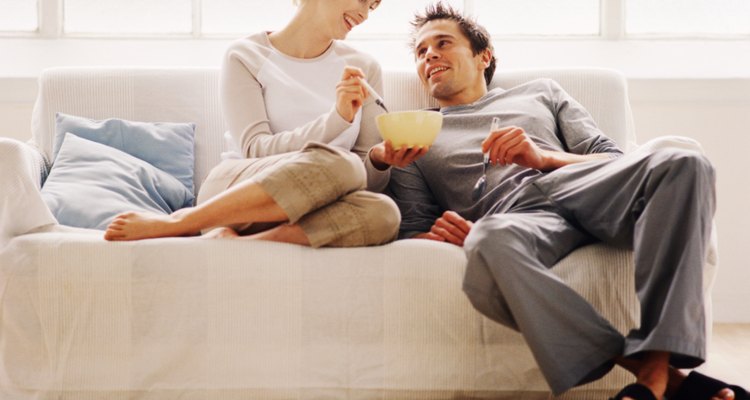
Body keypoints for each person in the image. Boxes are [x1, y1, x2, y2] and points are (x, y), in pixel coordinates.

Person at [388, 2, 748, 400]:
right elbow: (414, 226)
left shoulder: (542, 92)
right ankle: (658, 375)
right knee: (488, 240)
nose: (429, 56)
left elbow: (613, 162)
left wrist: (544, 158)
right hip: (515, 217)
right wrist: (442, 233)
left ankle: (659, 368)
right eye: (420, 52)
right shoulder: (412, 137)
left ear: (483, 56)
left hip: (580, 186)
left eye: (442, 43)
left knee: (684, 161)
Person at [105, 0, 427, 247]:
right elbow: (255, 149)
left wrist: (379, 160)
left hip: (312, 204)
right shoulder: (246, 55)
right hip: (237, 192)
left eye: (372, 5)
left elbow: (363, 178)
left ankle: (240, 246)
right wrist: (336, 119)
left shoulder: (364, 67)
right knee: (343, 165)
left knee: (385, 214)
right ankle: (182, 222)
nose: (365, 13)